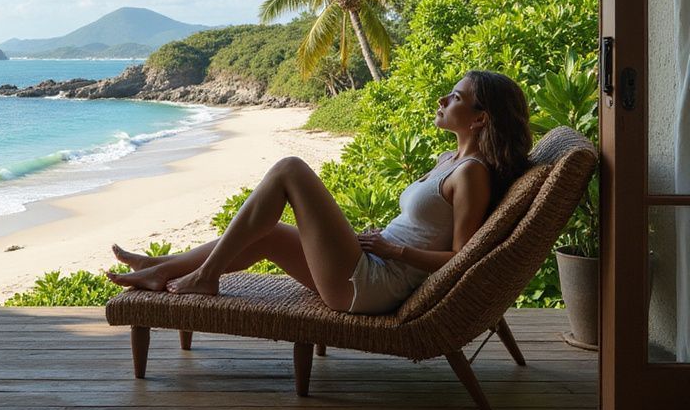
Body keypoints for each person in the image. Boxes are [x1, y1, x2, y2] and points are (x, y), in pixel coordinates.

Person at [107, 70, 532, 314]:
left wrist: (393, 251)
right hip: (369, 265)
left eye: (455, 97)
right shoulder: (449, 160)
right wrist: (384, 243)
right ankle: (163, 267)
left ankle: (203, 276)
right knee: (270, 234)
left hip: (373, 284)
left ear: (479, 120)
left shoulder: (472, 174)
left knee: (290, 169)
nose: (442, 99)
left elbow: (462, 258)